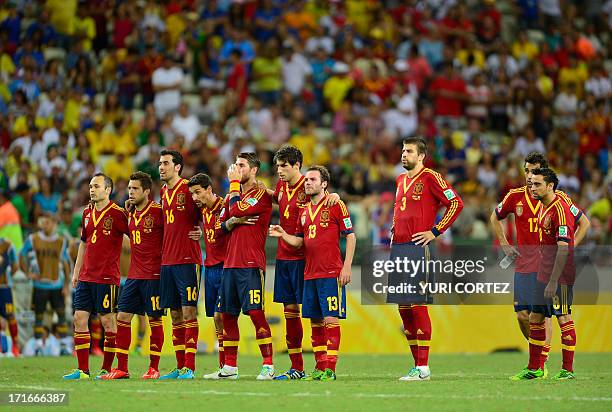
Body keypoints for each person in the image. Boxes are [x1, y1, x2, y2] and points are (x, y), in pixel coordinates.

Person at [491, 152, 590, 376]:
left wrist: (569, 247)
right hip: (530, 266)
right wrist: (505, 244)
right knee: (530, 315)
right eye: (527, 172)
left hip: (556, 268)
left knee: (559, 314)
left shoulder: (560, 201)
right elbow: (494, 216)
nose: (529, 177)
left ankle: (562, 368)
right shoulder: (520, 197)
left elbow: (582, 225)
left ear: (546, 178)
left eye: (534, 173)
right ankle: (536, 365)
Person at [270, 165, 356, 381]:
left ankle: (330, 369)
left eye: (313, 180)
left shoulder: (336, 205)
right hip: (309, 274)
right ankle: (319, 368)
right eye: (307, 180)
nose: (307, 183)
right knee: (315, 323)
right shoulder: (304, 210)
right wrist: (283, 234)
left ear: (324, 184)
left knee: (330, 320)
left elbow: (351, 236)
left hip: (330, 273)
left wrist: (346, 267)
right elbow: (300, 242)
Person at [388, 137, 464, 381]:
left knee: (417, 304)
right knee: (403, 308)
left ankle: (423, 367)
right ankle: (416, 366)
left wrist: (435, 231)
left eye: (409, 151)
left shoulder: (431, 177)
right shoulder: (400, 180)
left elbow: (455, 203)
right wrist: (392, 231)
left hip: (418, 248)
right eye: (402, 150)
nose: (403, 154)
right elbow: (398, 211)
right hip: (398, 249)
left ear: (421, 155)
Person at [510, 168, 584, 380]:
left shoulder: (560, 209)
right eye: (531, 184)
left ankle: (567, 370)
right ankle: (535, 368)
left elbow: (562, 248)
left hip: (559, 274)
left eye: (537, 184)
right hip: (544, 272)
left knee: (563, 316)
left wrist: (553, 281)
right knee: (536, 316)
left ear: (550, 185)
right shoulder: (545, 205)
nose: (533, 188)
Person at [187, 173, 257, 378]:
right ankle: (224, 367)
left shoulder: (225, 205)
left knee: (222, 315)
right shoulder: (201, 211)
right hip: (210, 268)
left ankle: (229, 366)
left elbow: (235, 217)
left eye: (198, 192)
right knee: (216, 319)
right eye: (192, 194)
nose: (195, 197)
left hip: (227, 266)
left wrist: (233, 220)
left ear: (209, 189)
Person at [213, 153, 274, 380]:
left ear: (254, 170)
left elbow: (237, 210)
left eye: (241, 165)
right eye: (235, 165)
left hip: (250, 264)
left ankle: (268, 365)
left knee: (256, 313)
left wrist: (234, 194)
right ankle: (230, 367)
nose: (236, 168)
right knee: (228, 315)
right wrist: (231, 221)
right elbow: (218, 229)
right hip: (230, 263)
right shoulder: (233, 195)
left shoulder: (261, 195)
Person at [63, 173, 129, 380]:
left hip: (107, 278)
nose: (92, 189)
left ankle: (107, 368)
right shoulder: (86, 213)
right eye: (91, 186)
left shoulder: (118, 214)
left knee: (108, 322)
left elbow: (136, 235)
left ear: (108, 190)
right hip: (86, 276)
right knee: (79, 319)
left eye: (96, 186)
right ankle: (82, 371)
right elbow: (84, 243)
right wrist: (76, 271)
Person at [100, 172, 165, 380]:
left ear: (146, 191)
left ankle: (154, 367)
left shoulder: (158, 212)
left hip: (154, 275)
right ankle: (122, 368)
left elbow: (174, 232)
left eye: (135, 188)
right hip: (134, 276)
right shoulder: (131, 214)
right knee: (122, 318)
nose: (130, 192)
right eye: (129, 188)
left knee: (154, 319)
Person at [158, 150, 203, 380]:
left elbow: (210, 208)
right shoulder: (163, 192)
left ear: (177, 167)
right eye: (160, 163)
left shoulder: (189, 188)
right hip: (167, 262)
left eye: (166, 163)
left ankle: (190, 367)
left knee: (188, 311)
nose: (161, 167)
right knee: (174, 314)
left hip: (188, 260)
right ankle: (179, 365)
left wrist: (203, 230)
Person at [20, 213, 72, 355]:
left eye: (48, 222)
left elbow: (66, 263)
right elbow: (21, 255)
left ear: (55, 223)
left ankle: (64, 346)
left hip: (56, 284)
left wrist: (67, 285)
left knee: (61, 315)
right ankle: (37, 346)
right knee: (38, 316)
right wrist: (27, 273)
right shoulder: (33, 239)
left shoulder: (61, 241)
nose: (45, 224)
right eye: (43, 222)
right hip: (39, 284)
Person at [0, 237, 19, 357]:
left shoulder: (7, 244)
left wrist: (8, 277)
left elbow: (15, 265)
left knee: (10, 315)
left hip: (4, 287)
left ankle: (15, 346)